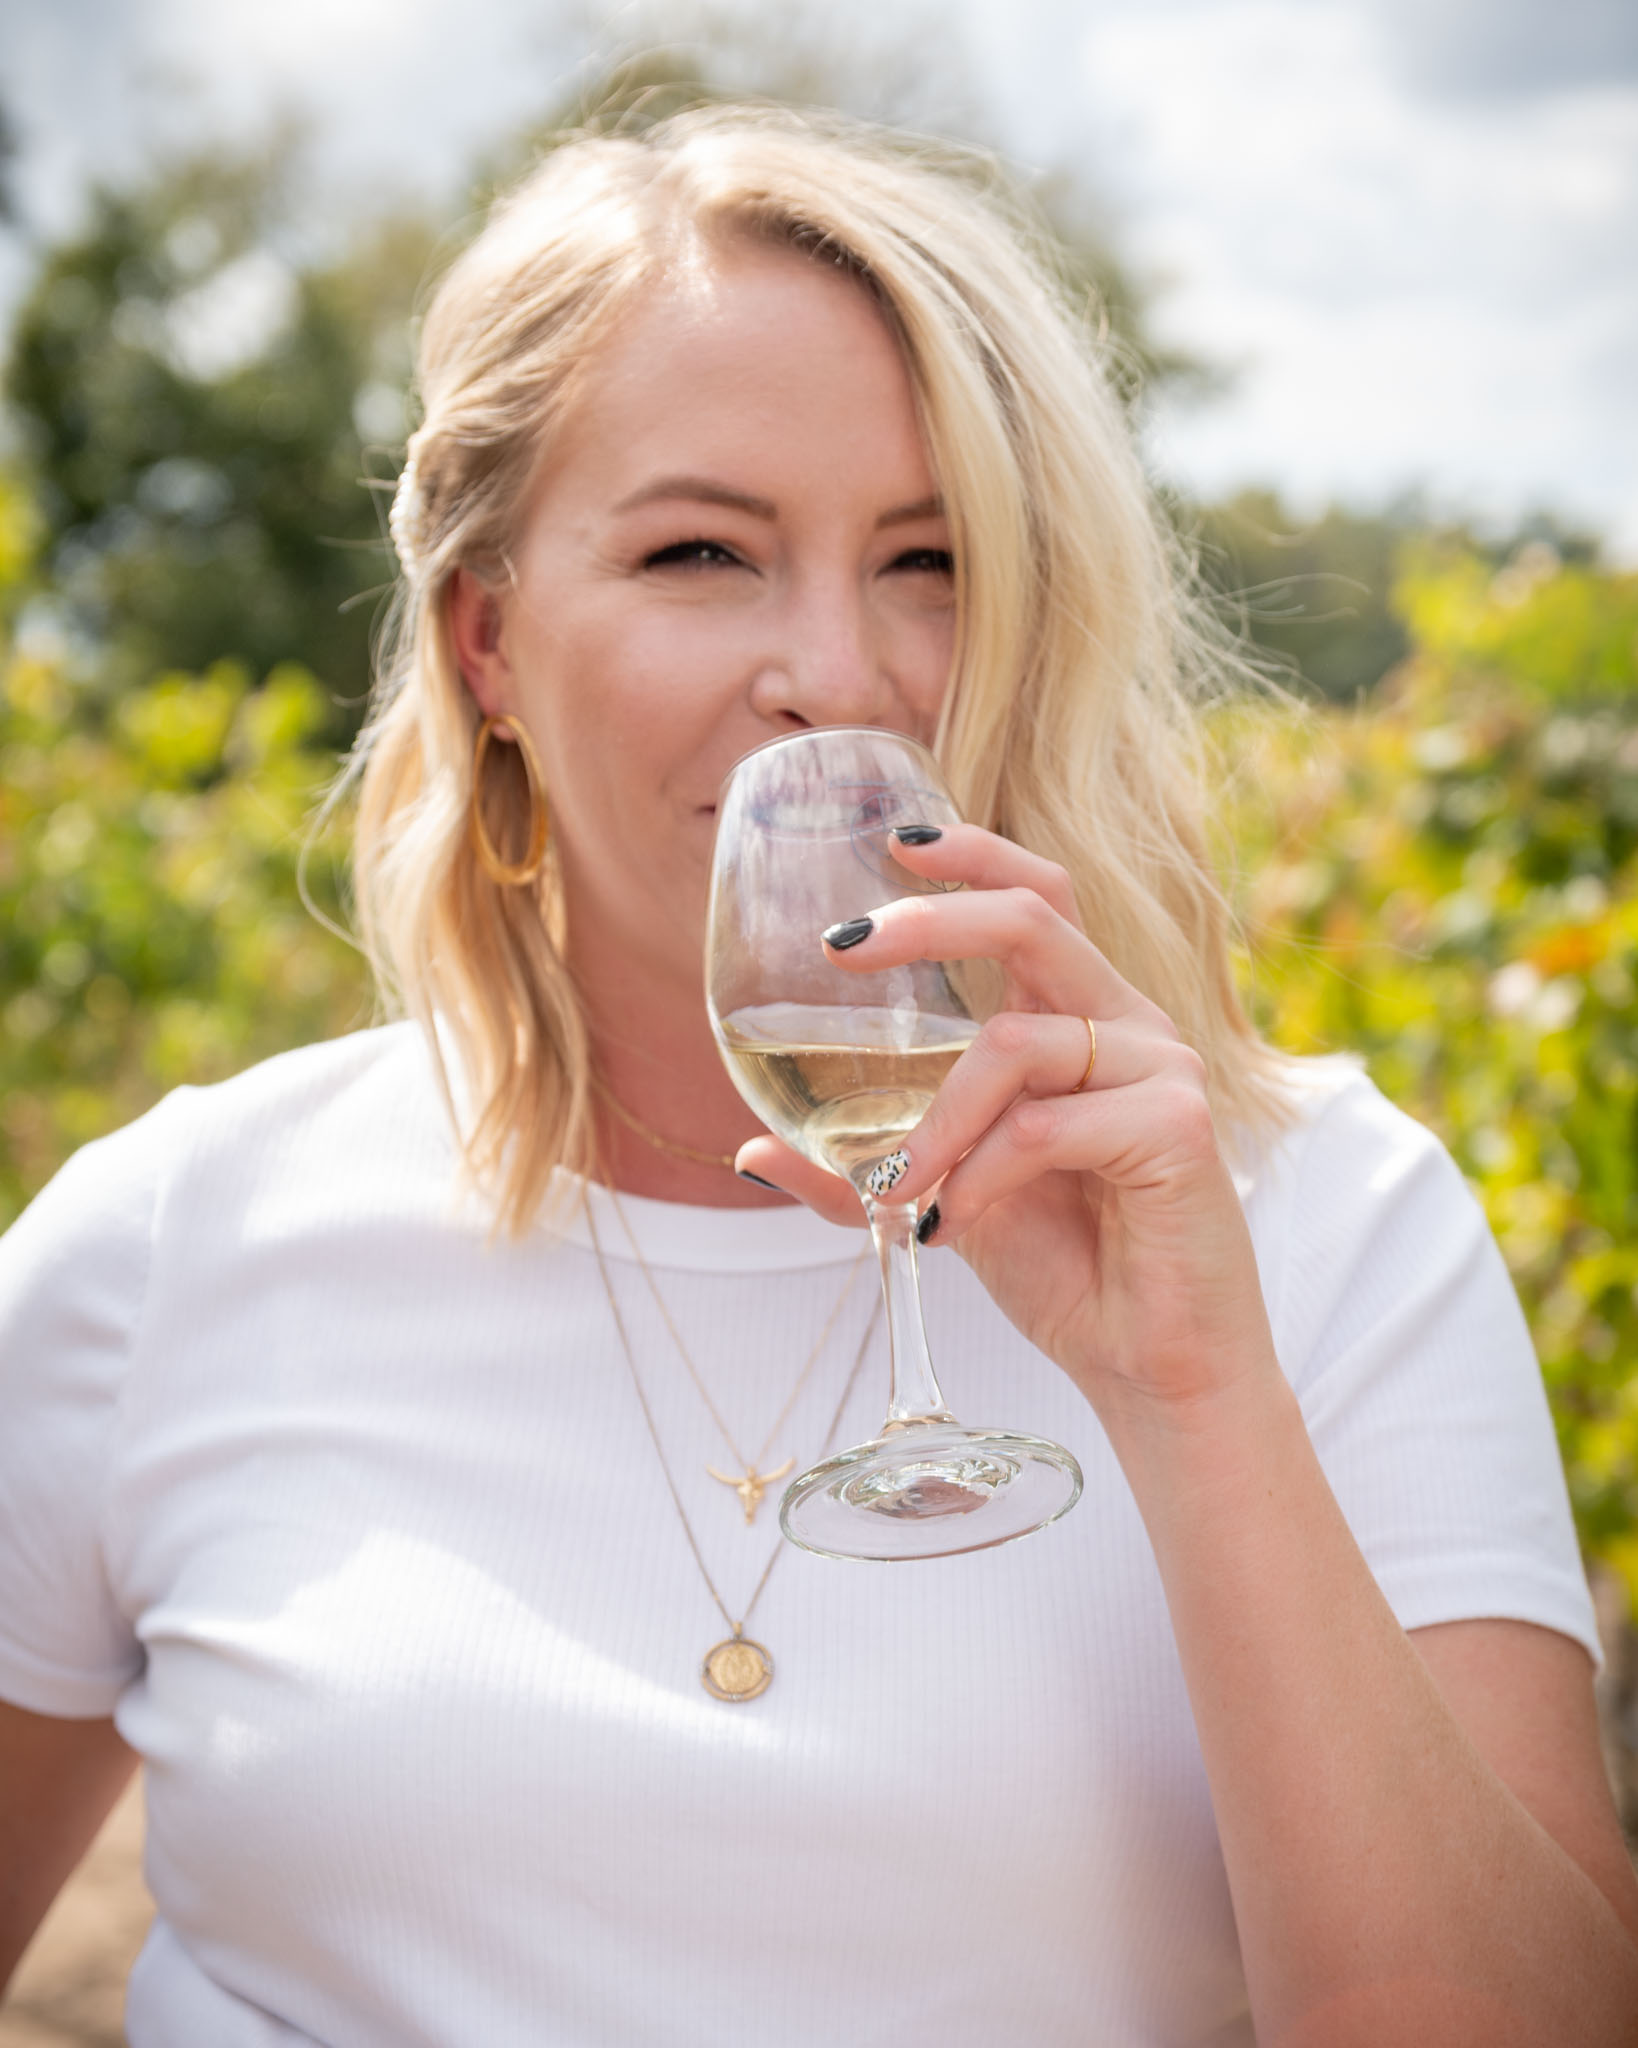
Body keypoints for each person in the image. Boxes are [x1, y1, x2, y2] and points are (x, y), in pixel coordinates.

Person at [1, 105, 1635, 2047]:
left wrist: (1193, 1396)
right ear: (491, 638)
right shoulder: (178, 1238)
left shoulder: (1335, 1221)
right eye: (704, 551)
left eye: (932, 560)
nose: (841, 672)